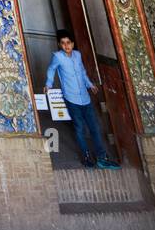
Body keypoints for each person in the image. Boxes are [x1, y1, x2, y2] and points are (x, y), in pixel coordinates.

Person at [45, 29, 118, 169]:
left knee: (95, 128)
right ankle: (86, 157)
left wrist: (90, 85)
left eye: (68, 43)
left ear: (72, 44)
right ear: (59, 45)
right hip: (71, 98)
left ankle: (102, 158)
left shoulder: (77, 55)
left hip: (85, 98)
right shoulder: (58, 56)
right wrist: (48, 84)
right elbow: (51, 69)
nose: (66, 46)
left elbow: (82, 72)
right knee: (79, 128)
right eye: (63, 43)